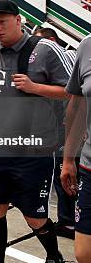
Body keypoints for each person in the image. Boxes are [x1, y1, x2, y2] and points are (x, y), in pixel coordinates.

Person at [0, 0, 71, 263]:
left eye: (2, 21)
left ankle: (54, 256)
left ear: (18, 20)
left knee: (34, 216)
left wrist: (36, 88)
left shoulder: (45, 49)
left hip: (35, 149)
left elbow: (71, 92)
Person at [34, 27, 77, 240]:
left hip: (67, 129)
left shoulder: (65, 58)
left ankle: (68, 222)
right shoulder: (69, 57)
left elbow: (71, 96)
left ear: (52, 41)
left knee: (65, 177)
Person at [61, 35, 91, 262]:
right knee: (84, 253)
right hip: (89, 168)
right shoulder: (87, 45)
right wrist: (68, 158)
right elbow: (77, 106)